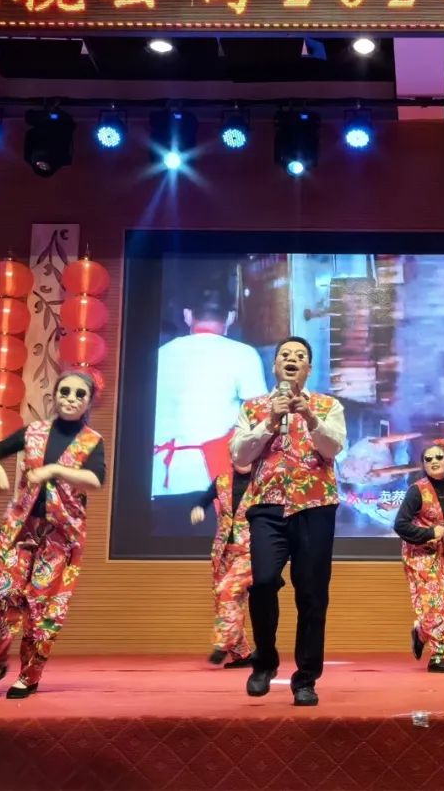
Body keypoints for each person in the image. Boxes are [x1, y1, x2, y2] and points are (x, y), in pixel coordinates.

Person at [231, 337, 347, 707]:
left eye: (300, 356)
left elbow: (333, 448)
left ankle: (306, 679)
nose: (292, 360)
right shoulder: (253, 407)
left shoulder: (328, 406)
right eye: (285, 355)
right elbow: (240, 455)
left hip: (315, 507)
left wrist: (309, 417)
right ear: (275, 366)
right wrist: (270, 421)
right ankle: (264, 661)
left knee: (312, 595)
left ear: (308, 368)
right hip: (267, 506)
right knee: (263, 582)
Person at [0, 370, 105, 699]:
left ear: (89, 401)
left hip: (61, 535)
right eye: (65, 391)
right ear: (55, 395)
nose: (71, 398)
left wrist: (56, 470)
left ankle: (29, 676)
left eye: (79, 394)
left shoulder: (91, 440)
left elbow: (95, 480)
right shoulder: (34, 432)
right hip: (20, 527)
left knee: (42, 607)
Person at [153, 286, 267, 497]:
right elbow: (261, 417)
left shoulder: (161, 354)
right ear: (230, 317)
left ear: (187, 315)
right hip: (215, 478)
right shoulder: (243, 355)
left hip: (160, 478)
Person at [394, 440, 444, 674]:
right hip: (420, 555)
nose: (434, 462)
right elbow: (400, 524)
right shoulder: (417, 491)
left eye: (439, 457)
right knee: (438, 604)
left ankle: (421, 632)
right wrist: (429, 533)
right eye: (428, 459)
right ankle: (438, 657)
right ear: (424, 465)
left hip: (443, 553)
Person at [189, 466, 254, 668]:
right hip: (223, 550)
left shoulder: (264, 480)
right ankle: (242, 654)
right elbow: (204, 499)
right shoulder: (222, 480)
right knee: (225, 601)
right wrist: (199, 508)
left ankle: (222, 644)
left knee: (227, 590)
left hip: (251, 550)